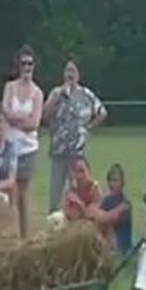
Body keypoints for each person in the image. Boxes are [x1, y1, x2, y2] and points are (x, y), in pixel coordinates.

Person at [44, 57, 107, 213]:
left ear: (78, 74)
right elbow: (45, 114)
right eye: (67, 70)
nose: (69, 74)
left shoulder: (86, 95)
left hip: (78, 155)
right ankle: (54, 223)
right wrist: (58, 97)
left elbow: (102, 112)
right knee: (55, 196)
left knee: (78, 194)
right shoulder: (56, 92)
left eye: (73, 70)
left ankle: (76, 227)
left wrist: (89, 128)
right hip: (59, 151)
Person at [3, 45, 44, 238]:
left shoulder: (37, 93)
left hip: (28, 149)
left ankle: (25, 236)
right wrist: (22, 119)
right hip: (10, 148)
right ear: (18, 66)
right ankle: (10, 234)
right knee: (10, 192)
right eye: (23, 64)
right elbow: (5, 112)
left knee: (24, 195)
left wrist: (16, 119)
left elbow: (34, 123)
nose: (27, 67)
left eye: (30, 64)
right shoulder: (10, 87)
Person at [91, 163, 132, 254]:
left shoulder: (126, 204)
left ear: (122, 182)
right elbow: (92, 213)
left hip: (120, 244)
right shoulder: (106, 199)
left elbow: (107, 218)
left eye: (117, 181)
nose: (114, 184)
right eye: (112, 181)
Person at [61, 157, 101, 222]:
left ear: (89, 171)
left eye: (82, 171)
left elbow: (96, 211)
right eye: (76, 171)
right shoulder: (72, 188)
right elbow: (64, 209)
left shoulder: (94, 187)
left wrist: (80, 204)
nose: (79, 175)